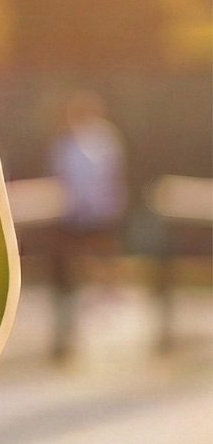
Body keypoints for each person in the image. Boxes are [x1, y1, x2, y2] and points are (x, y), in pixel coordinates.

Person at [45, 90, 128, 359]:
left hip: (100, 209)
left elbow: (111, 174)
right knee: (73, 256)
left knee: (104, 249)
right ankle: (78, 295)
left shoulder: (105, 139)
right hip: (75, 212)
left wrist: (106, 203)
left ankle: (109, 289)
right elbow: (61, 175)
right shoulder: (64, 142)